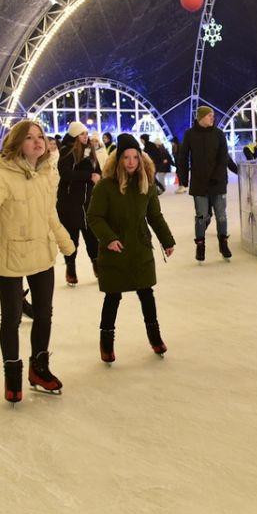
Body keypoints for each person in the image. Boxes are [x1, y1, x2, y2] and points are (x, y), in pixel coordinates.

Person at [0, 119, 75, 404]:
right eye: (30, 138)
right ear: (17, 143)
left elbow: (48, 211)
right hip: (10, 255)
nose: (38, 142)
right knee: (12, 317)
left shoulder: (46, 173)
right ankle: (12, 376)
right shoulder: (2, 174)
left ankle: (39, 369)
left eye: (40, 136)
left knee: (43, 314)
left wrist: (64, 241)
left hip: (41, 253)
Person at [86, 134, 176, 363]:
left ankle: (155, 338)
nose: (131, 162)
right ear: (118, 160)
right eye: (126, 157)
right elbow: (94, 217)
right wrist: (109, 239)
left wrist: (167, 240)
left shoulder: (145, 184)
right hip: (115, 249)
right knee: (113, 296)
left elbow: (154, 216)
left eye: (135, 157)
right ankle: (106, 343)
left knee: (146, 293)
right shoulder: (106, 186)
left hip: (139, 247)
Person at [177, 106, 239, 262]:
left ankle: (223, 243)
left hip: (218, 183)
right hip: (199, 183)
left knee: (221, 215)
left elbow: (223, 158)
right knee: (201, 216)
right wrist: (183, 178)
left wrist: (220, 176)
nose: (213, 118)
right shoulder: (190, 135)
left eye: (213, 115)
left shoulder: (218, 134)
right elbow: (183, 157)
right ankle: (200, 245)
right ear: (201, 117)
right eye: (210, 115)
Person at [56, 122, 102, 286]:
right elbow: (66, 174)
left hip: (87, 201)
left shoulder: (90, 151)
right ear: (75, 136)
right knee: (71, 239)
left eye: (86, 133)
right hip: (69, 203)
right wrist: (88, 176)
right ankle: (71, 268)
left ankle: (98, 266)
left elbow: (98, 171)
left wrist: (96, 176)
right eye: (82, 134)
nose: (86, 136)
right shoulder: (66, 151)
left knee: (92, 236)